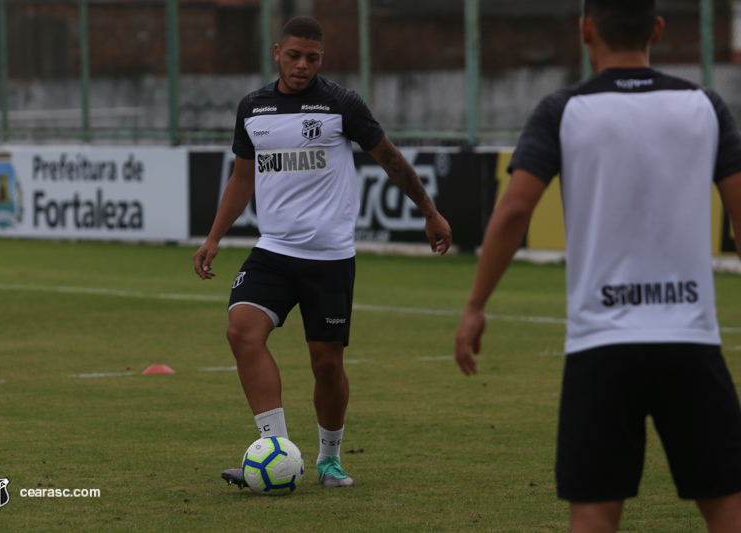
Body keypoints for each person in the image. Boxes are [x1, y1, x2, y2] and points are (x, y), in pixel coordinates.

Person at [454, 0, 741, 530]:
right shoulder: (706, 105)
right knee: (726, 504)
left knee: (594, 511)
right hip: (690, 341)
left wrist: (475, 305)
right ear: (657, 28)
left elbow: (515, 208)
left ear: (586, 30)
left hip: (601, 346)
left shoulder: (562, 109)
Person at [194, 16, 451, 489]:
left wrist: (429, 211)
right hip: (272, 251)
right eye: (293, 55)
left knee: (327, 365)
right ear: (277, 52)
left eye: (312, 58)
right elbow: (242, 177)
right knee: (241, 331)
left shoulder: (340, 103)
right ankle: (276, 450)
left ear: (321, 58)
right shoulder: (253, 108)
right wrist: (213, 237)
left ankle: (330, 459)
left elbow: (389, 157)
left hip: (329, 258)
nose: (302, 65)